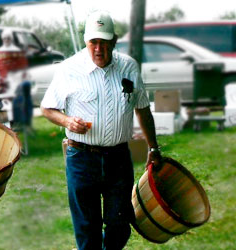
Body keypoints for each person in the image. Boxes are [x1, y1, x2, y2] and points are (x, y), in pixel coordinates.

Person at [40, 11, 162, 249]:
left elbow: (143, 108)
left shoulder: (128, 66)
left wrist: (153, 147)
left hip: (118, 157)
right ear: (86, 41)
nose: (98, 48)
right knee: (87, 227)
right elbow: (47, 108)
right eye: (93, 42)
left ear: (114, 42)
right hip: (81, 158)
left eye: (104, 42)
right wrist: (67, 122)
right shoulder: (69, 69)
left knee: (120, 224)